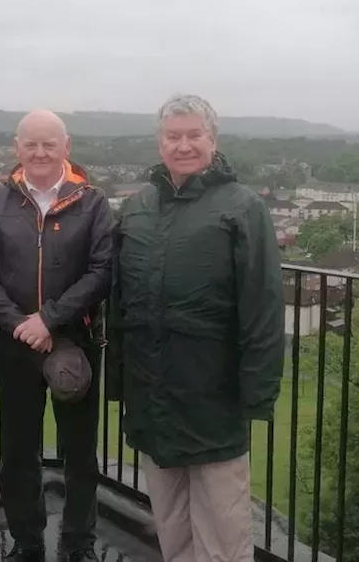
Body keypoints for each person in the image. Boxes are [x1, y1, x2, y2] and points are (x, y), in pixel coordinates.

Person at [106, 94, 285, 562]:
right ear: (159, 142)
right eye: (173, 136)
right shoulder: (138, 207)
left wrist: (256, 392)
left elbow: (263, 307)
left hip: (214, 395)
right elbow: (119, 302)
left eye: (193, 135)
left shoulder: (243, 208)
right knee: (170, 522)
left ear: (213, 139)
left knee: (223, 530)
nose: (183, 145)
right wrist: (120, 381)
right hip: (151, 392)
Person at [0, 110, 114, 562]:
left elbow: (102, 272)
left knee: (81, 454)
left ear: (66, 147)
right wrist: (20, 324)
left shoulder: (93, 202)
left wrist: (49, 320)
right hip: (15, 346)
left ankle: (78, 543)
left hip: (76, 343)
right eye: (31, 143)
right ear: (17, 147)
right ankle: (27, 542)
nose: (40, 152)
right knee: (17, 453)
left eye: (50, 143)